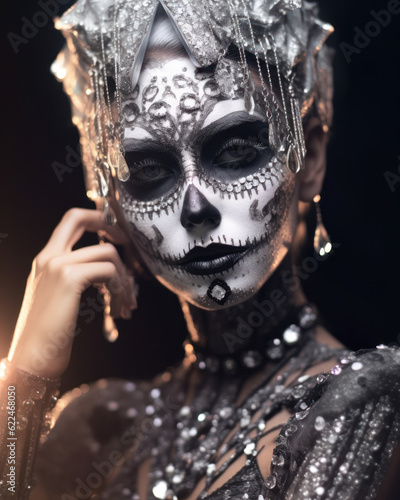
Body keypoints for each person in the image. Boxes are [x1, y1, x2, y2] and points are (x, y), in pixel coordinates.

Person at [1, 1, 399, 499]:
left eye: (234, 150)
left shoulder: (368, 400)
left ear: (310, 158)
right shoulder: (96, 430)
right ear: (109, 199)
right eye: (148, 169)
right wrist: (24, 381)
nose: (195, 207)